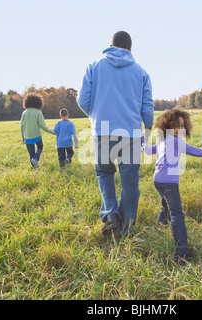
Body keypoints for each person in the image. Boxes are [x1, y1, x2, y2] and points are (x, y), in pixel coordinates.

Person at [77, 31, 154, 237]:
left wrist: (96, 115)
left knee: (104, 172)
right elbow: (147, 106)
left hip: (102, 130)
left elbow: (82, 100)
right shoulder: (141, 73)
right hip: (130, 132)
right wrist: (147, 128)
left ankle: (111, 215)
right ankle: (127, 226)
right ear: (130, 48)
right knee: (130, 180)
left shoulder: (94, 67)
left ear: (110, 45)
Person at [143, 108, 202, 260]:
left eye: (182, 126)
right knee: (177, 214)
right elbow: (193, 151)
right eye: (176, 126)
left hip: (158, 181)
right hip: (168, 183)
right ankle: (181, 252)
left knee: (166, 206)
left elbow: (147, 151)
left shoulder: (162, 141)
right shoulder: (175, 141)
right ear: (167, 125)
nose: (180, 129)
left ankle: (159, 229)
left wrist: (143, 141)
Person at [20, 93, 55, 169]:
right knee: (40, 146)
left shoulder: (24, 113)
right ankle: (35, 159)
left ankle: (34, 167)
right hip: (37, 135)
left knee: (31, 153)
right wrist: (51, 131)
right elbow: (43, 125)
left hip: (27, 136)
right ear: (39, 103)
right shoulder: (38, 112)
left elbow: (21, 126)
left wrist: (23, 137)